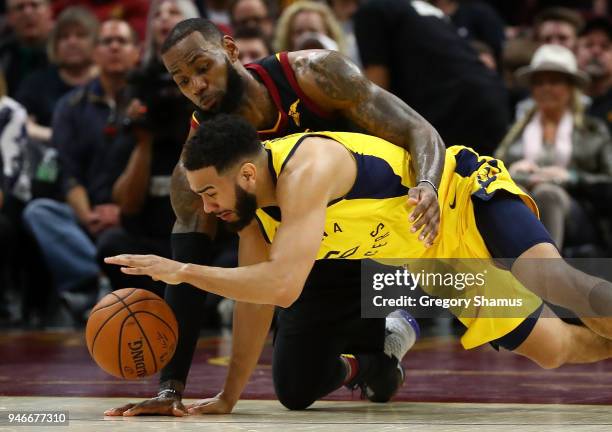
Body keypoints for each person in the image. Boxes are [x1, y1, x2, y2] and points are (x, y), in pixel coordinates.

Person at [107, 113, 612, 412]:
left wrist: (183, 271)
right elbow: (256, 306)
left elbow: (283, 286)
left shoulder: (306, 169)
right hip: (435, 264)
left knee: (549, 277)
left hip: (455, 200)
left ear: (243, 174)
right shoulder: (257, 218)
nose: (206, 207)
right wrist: (227, 398)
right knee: (551, 350)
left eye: (208, 192)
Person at [103, 17, 444, 416]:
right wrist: (170, 388)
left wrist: (429, 185)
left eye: (202, 67)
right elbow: (187, 261)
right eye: (182, 80)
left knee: (504, 301)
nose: (196, 85)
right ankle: (379, 355)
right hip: (307, 258)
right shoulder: (200, 161)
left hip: (383, 233)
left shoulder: (314, 74)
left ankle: (411, 303)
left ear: (230, 50)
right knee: (297, 390)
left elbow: (418, 130)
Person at [22, 19, 141, 323]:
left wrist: (122, 213)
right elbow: (66, 169)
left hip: (135, 213)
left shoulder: (149, 102)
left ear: (136, 52)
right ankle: (95, 281)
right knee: (39, 212)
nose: (114, 47)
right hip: (82, 217)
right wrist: (87, 215)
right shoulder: (70, 106)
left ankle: (91, 290)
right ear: (95, 53)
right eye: (106, 42)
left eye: (122, 41)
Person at [497, 44, 612, 252]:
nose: (546, 88)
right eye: (539, 83)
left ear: (570, 88)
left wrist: (571, 177)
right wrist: (512, 172)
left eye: (555, 81)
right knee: (517, 194)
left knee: (548, 193)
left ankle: (548, 272)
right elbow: (491, 172)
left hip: (580, 211)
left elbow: (609, 179)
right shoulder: (515, 131)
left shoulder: (594, 130)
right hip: (527, 194)